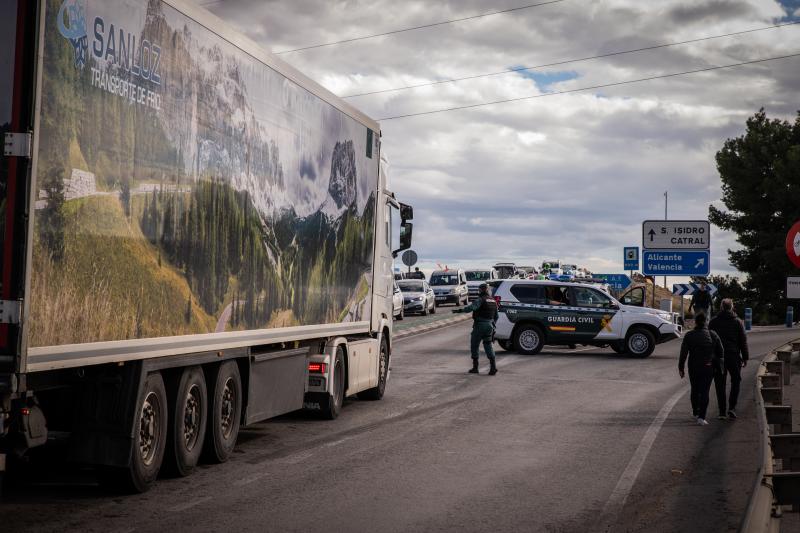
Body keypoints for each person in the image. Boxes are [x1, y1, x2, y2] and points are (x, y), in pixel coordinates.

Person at [678, 312, 724, 426]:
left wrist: (681, 368)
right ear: (706, 321)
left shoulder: (689, 335)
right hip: (708, 366)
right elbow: (721, 351)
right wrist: (718, 363)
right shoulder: (713, 334)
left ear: (695, 322)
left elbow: (683, 353)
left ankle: (695, 412)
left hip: (693, 366)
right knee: (705, 391)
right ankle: (702, 417)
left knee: (694, 389)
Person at [709, 298, 750, 420]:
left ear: (721, 307)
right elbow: (743, 341)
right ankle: (732, 408)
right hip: (733, 355)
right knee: (736, 380)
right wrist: (745, 357)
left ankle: (722, 412)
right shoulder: (737, 322)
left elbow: (709, 340)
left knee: (720, 383)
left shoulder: (714, 322)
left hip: (718, 357)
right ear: (732, 307)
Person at [453, 283, 499, 375]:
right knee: (488, 345)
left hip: (480, 326)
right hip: (490, 326)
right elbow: (496, 316)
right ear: (488, 290)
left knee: (475, 345)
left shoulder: (480, 300)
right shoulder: (493, 301)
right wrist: (492, 325)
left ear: (481, 290)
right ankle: (493, 367)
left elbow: (471, 308)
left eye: (479, 290)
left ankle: (475, 367)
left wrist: (460, 310)